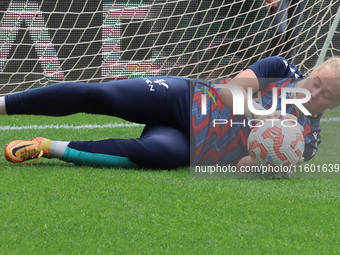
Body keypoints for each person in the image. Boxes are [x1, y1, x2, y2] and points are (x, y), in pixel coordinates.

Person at [2, 56, 340, 172]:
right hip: (184, 98)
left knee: (156, 154)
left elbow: (242, 165)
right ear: (315, 70)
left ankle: (47, 147)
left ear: (334, 106)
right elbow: (227, 92)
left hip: (191, 146)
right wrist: (265, 118)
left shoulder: (307, 141)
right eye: (318, 82)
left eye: (328, 96)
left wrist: (270, 163)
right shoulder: (281, 69)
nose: (316, 93)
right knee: (98, 94)